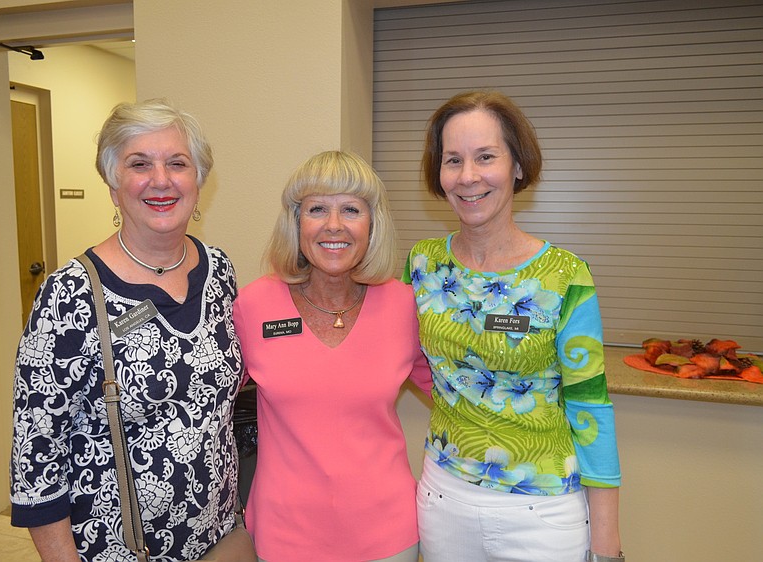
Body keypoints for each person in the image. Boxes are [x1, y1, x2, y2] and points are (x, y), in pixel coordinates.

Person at [10, 99, 251, 561]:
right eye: (139, 164)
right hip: (116, 551)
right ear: (113, 183)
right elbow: (35, 458)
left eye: (177, 164)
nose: (161, 180)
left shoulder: (218, 270)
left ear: (198, 181)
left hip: (220, 537)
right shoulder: (70, 295)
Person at [403, 90, 623, 562]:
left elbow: (591, 409)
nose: (467, 177)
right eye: (453, 160)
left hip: (543, 511)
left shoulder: (565, 276)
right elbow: (406, 362)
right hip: (444, 498)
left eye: (486, 157)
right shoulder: (421, 265)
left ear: (518, 166)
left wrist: (607, 545)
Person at [232, 151, 432, 562]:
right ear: (296, 223)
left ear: (372, 224)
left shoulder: (405, 306)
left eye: (351, 209)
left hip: (388, 536)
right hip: (284, 535)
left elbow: (461, 398)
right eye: (317, 209)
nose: (334, 225)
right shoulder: (254, 306)